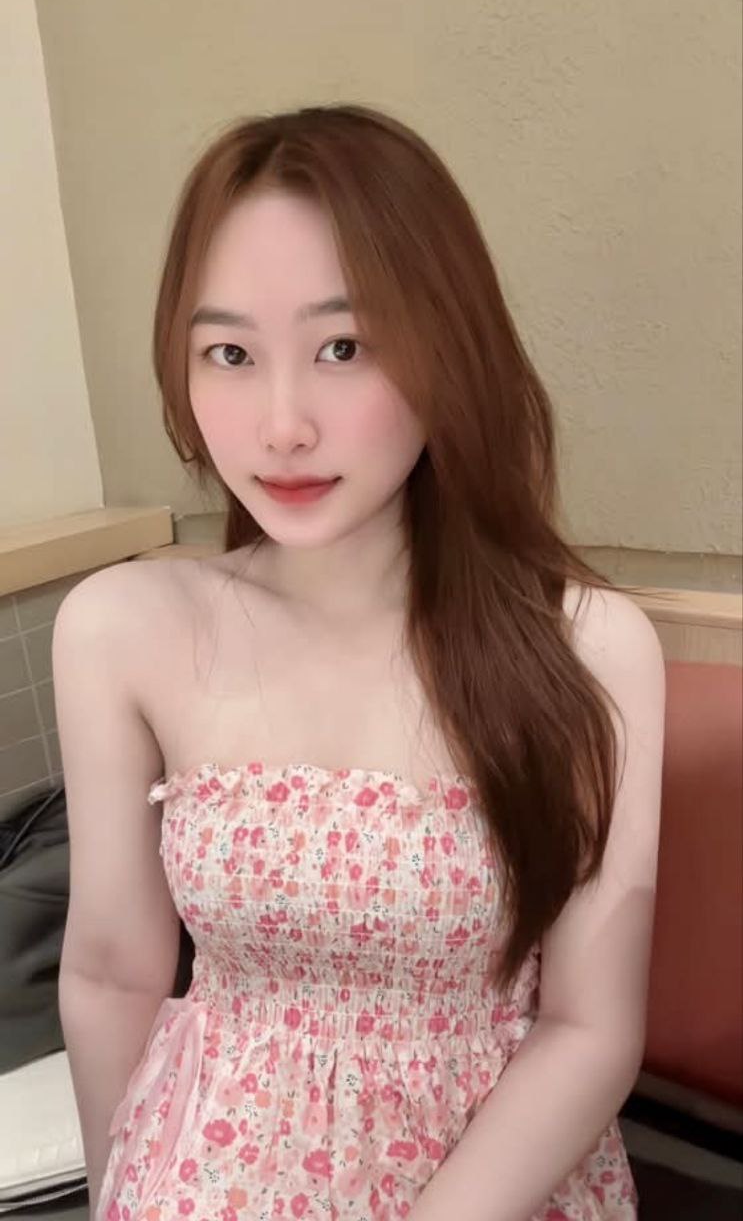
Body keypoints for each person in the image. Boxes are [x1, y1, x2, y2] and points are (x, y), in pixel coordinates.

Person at [52, 103, 667, 1221]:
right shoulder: (123, 626)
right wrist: (120, 1194)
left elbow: (588, 1027)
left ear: (447, 348)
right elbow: (109, 971)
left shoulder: (586, 648)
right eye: (229, 354)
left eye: (343, 347)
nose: (281, 424)